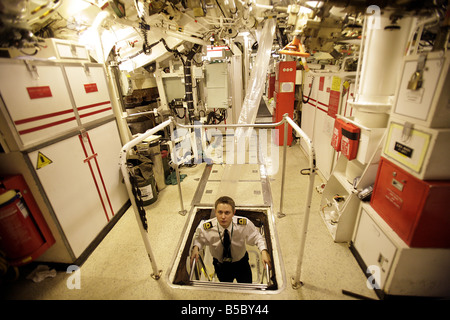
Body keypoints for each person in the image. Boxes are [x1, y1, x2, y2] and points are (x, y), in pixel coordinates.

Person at [190, 196, 272, 283]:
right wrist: (196, 248)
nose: (223, 216)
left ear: (233, 213)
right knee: (226, 288)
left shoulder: (244, 224)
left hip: (241, 264)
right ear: (215, 212)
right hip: (221, 266)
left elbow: (257, 237)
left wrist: (264, 251)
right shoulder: (207, 227)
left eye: (227, 213)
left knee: (246, 286)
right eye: (220, 212)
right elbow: (200, 240)